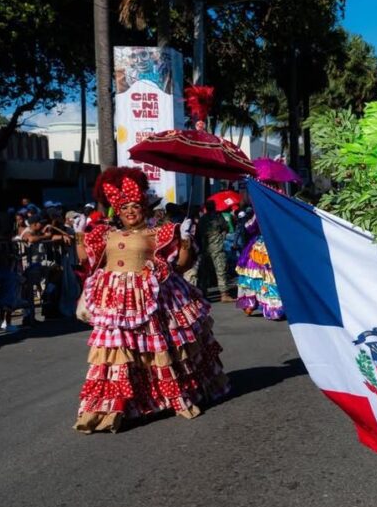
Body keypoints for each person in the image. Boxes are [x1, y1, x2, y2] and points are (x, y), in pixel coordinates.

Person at [74, 167, 231, 433]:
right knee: (115, 355)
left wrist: (183, 240)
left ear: (144, 207)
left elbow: (181, 266)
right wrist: (78, 235)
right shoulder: (104, 234)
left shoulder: (159, 233)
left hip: (150, 298)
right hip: (114, 301)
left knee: (154, 352)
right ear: (116, 211)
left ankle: (165, 397)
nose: (130, 211)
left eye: (135, 206)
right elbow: (84, 260)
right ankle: (110, 410)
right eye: (124, 208)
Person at [235, 185, 286, 320]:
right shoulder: (283, 210)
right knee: (271, 277)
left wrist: (244, 220)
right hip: (279, 244)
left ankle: (254, 304)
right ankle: (273, 307)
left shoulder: (261, 210)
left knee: (256, 276)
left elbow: (250, 227)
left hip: (262, 246)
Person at [198, 200, 234, 302]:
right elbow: (226, 227)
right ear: (214, 207)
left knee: (204, 273)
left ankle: (203, 293)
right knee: (221, 271)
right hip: (217, 247)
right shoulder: (218, 217)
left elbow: (198, 233)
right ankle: (224, 294)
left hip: (205, 249)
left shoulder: (202, 219)